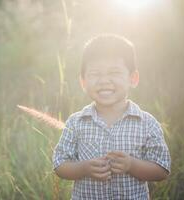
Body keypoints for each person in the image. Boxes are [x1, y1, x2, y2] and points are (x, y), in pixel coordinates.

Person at [52, 34, 171, 199]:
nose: (104, 80)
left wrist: (131, 165)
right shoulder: (76, 122)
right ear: (83, 82)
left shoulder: (147, 123)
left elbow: (162, 170)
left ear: (133, 78)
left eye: (114, 72)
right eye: (95, 73)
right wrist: (84, 168)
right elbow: (59, 165)